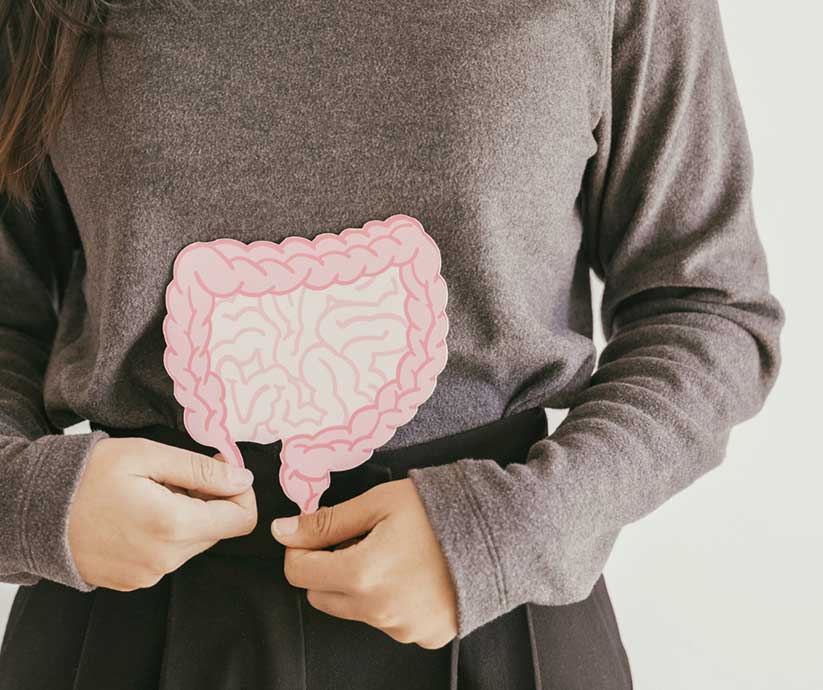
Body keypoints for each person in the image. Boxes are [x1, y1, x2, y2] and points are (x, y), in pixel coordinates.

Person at [0, 0, 784, 688]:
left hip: (492, 612)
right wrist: (27, 503)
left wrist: (517, 529)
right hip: (123, 616)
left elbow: (705, 308)